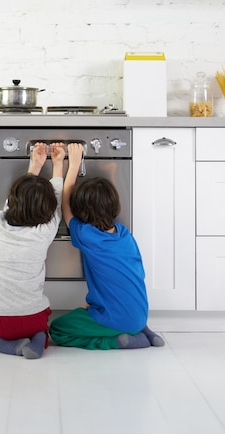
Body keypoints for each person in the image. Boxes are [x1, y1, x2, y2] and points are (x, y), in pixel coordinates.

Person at [49, 143, 165, 350]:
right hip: (140, 313)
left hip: (113, 318)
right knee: (114, 308)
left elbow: (65, 205)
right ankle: (143, 330)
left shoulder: (87, 234)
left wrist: (73, 165)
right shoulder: (124, 234)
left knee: (58, 329)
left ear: (82, 211)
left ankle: (119, 340)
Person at [0, 141, 66, 359]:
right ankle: (37, 339)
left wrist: (35, 165)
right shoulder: (45, 231)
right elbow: (57, 199)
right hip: (31, 318)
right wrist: (58, 164)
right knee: (41, 327)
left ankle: (1, 343)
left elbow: (12, 204)